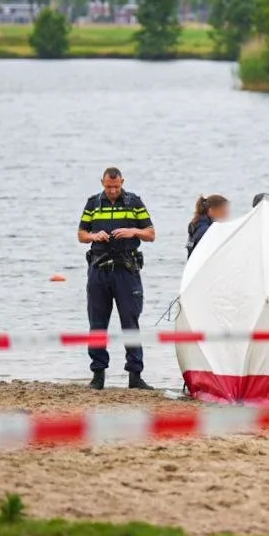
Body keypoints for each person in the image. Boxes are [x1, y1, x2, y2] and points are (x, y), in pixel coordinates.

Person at [77, 167, 156, 390]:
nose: (112, 190)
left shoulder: (134, 203)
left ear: (122, 182)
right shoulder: (93, 203)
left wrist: (133, 231)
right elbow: (81, 234)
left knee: (130, 323)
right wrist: (94, 236)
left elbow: (151, 233)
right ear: (102, 182)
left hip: (126, 269)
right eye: (108, 186)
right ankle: (98, 375)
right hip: (99, 268)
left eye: (116, 186)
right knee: (97, 323)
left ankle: (135, 376)